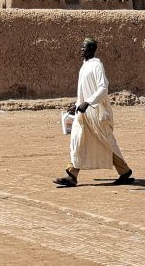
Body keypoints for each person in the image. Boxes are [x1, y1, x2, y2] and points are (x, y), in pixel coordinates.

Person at [53, 38, 133, 187]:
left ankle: (124, 171)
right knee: (78, 141)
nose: (81, 49)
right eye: (81, 47)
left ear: (92, 49)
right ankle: (72, 175)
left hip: (97, 113)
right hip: (84, 113)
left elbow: (103, 88)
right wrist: (77, 104)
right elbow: (83, 91)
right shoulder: (85, 66)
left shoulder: (97, 65)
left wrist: (88, 102)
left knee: (106, 142)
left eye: (84, 47)